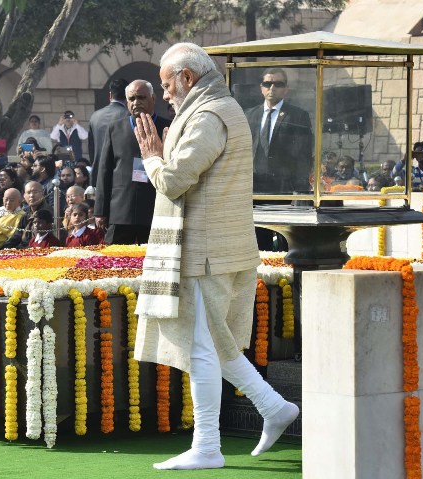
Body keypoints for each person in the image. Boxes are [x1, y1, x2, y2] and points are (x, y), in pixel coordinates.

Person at [133, 42, 298, 471]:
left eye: (167, 85)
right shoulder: (217, 108)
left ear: (187, 77)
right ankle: (274, 406)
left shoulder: (208, 114)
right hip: (216, 250)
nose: (164, 94)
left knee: (201, 350)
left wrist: (152, 159)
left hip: (206, 251)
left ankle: (208, 446)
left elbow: (174, 181)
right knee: (212, 344)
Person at [94, 79, 172, 245]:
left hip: (155, 210)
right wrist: (100, 211)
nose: (136, 102)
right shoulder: (114, 128)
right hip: (121, 211)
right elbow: (104, 171)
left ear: (153, 99)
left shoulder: (168, 127)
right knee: (115, 258)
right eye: (131, 99)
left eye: (141, 97)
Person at [244, 68, 313, 194]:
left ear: (286, 89)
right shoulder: (249, 115)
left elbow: (304, 154)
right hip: (252, 186)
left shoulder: (298, 116)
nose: (272, 88)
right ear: (261, 88)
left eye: (278, 84)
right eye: (267, 84)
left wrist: (301, 189)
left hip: (284, 188)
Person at [88, 78, 129, 175]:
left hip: (98, 173)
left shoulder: (95, 116)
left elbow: (91, 148)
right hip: (121, 174)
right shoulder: (129, 116)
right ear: (128, 96)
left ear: (110, 95)